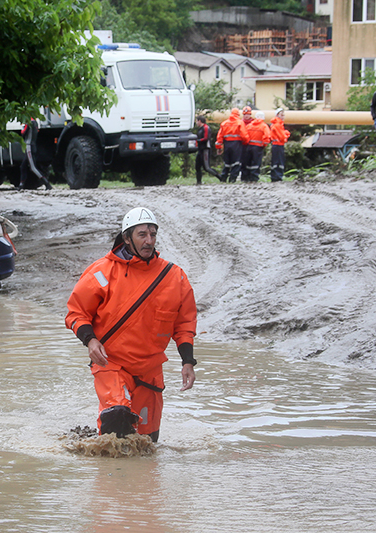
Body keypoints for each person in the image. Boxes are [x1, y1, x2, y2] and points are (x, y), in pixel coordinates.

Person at [65, 207, 197, 443]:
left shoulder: (175, 277)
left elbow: (185, 323)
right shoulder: (101, 271)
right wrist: (90, 340)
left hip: (150, 372)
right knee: (117, 420)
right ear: (126, 238)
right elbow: (76, 313)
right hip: (111, 364)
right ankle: (110, 478)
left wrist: (188, 361)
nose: (149, 241)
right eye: (142, 235)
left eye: (153, 234)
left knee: (147, 445)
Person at [215, 108, 249, 183]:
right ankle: (232, 179)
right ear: (238, 114)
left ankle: (223, 178)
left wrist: (219, 147)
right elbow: (244, 135)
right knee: (236, 162)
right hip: (237, 144)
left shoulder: (224, 123)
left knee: (227, 162)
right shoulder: (240, 123)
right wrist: (246, 142)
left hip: (227, 144)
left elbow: (219, 137)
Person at [241, 110, 271, 182]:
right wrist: (264, 145)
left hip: (249, 146)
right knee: (256, 163)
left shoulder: (249, 125)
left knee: (248, 162)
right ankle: (254, 178)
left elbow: (244, 135)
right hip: (258, 147)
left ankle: (246, 177)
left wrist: (247, 142)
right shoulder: (264, 126)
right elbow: (267, 136)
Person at [194, 115, 222, 184]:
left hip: (205, 149)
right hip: (200, 149)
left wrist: (197, 140)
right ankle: (198, 181)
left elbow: (206, 138)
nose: (196, 123)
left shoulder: (206, 128)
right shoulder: (200, 129)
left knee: (206, 168)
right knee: (197, 166)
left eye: (197, 121)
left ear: (200, 121)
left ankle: (220, 177)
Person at [270, 108, 291, 182]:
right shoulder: (278, 125)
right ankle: (278, 176)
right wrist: (287, 135)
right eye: (281, 115)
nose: (283, 116)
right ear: (277, 115)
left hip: (276, 145)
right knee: (279, 161)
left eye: (283, 115)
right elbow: (282, 137)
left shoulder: (276, 124)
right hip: (278, 145)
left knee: (275, 161)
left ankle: (275, 176)